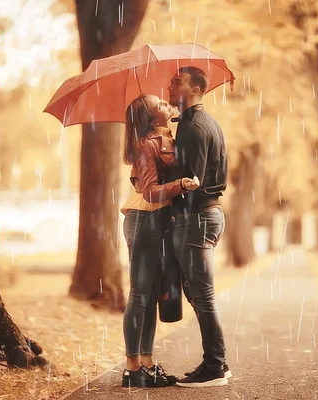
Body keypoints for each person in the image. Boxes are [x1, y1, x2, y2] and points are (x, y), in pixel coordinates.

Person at [120, 93, 200, 388]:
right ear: (151, 117)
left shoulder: (168, 135)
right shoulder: (146, 143)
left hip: (159, 220)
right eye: (160, 105)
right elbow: (150, 191)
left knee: (152, 296)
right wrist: (180, 185)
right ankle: (132, 368)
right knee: (140, 295)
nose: (167, 103)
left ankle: (147, 363)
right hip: (144, 220)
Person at [166, 66, 232, 387]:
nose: (169, 86)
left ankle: (216, 366)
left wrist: (157, 174)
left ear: (194, 90)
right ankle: (215, 361)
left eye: (176, 82)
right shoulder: (202, 123)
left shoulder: (193, 128)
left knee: (202, 294)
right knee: (195, 290)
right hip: (207, 216)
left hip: (198, 217)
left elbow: (191, 181)